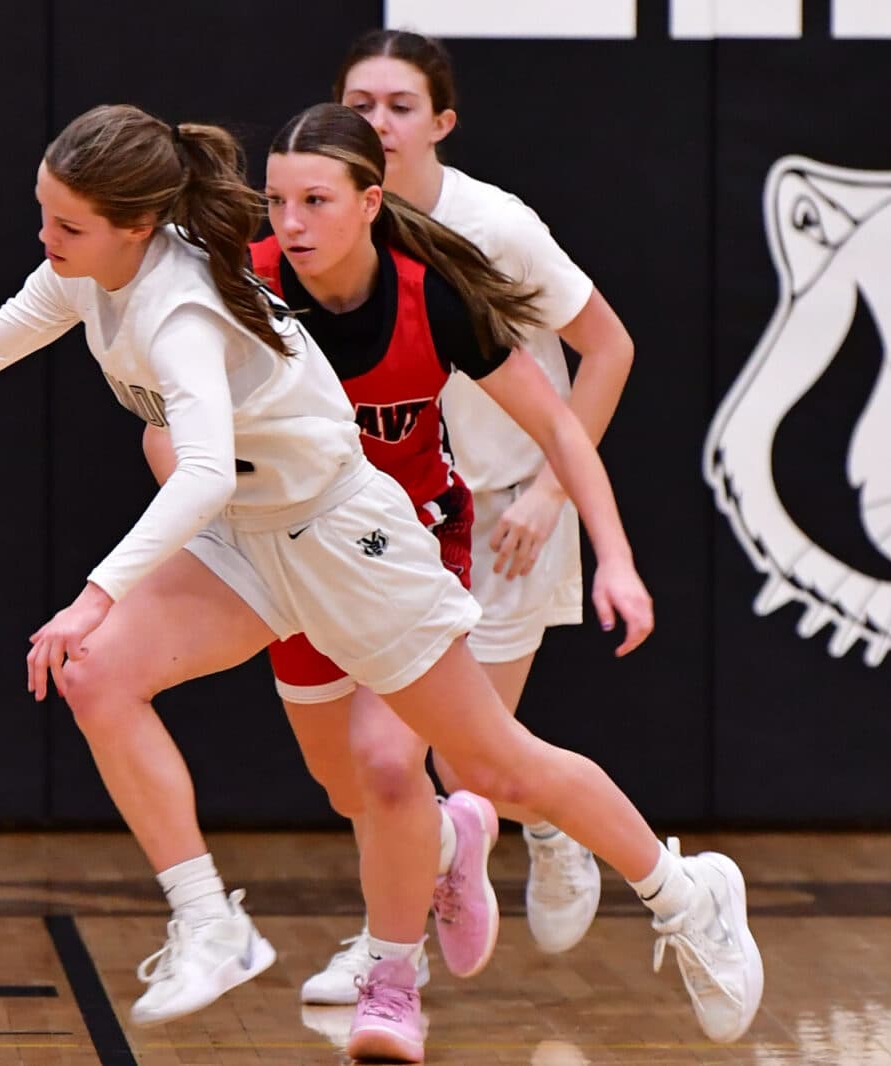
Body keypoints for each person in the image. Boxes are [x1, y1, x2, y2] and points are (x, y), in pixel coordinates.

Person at [0, 103, 761, 1062]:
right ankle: (210, 921)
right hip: (252, 539)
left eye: (66, 224)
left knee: (492, 763)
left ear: (133, 225)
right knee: (99, 675)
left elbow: (203, 467)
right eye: (43, 214)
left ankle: (684, 890)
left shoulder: (178, 307)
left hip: (342, 534)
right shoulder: (91, 272)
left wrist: (96, 591)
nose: (45, 239)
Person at [139, 100, 606, 1004]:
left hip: (409, 536)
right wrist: (191, 494)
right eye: (277, 203)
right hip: (291, 545)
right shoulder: (245, 288)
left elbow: (559, 416)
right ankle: (444, 842)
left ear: (368, 199)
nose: (291, 222)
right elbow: (169, 427)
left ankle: (393, 962)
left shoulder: (434, 289)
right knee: (347, 785)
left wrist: (610, 552)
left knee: (400, 762)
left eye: (314, 200)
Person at [306, 28, 639, 981]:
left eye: (400, 106)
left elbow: (608, 350)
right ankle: (387, 945)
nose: (379, 123)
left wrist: (548, 493)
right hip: (381, 522)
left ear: (440, 121)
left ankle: (552, 833)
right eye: (360, 105)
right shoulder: (319, 226)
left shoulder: (497, 228)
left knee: (472, 764)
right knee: (378, 763)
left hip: (502, 517)